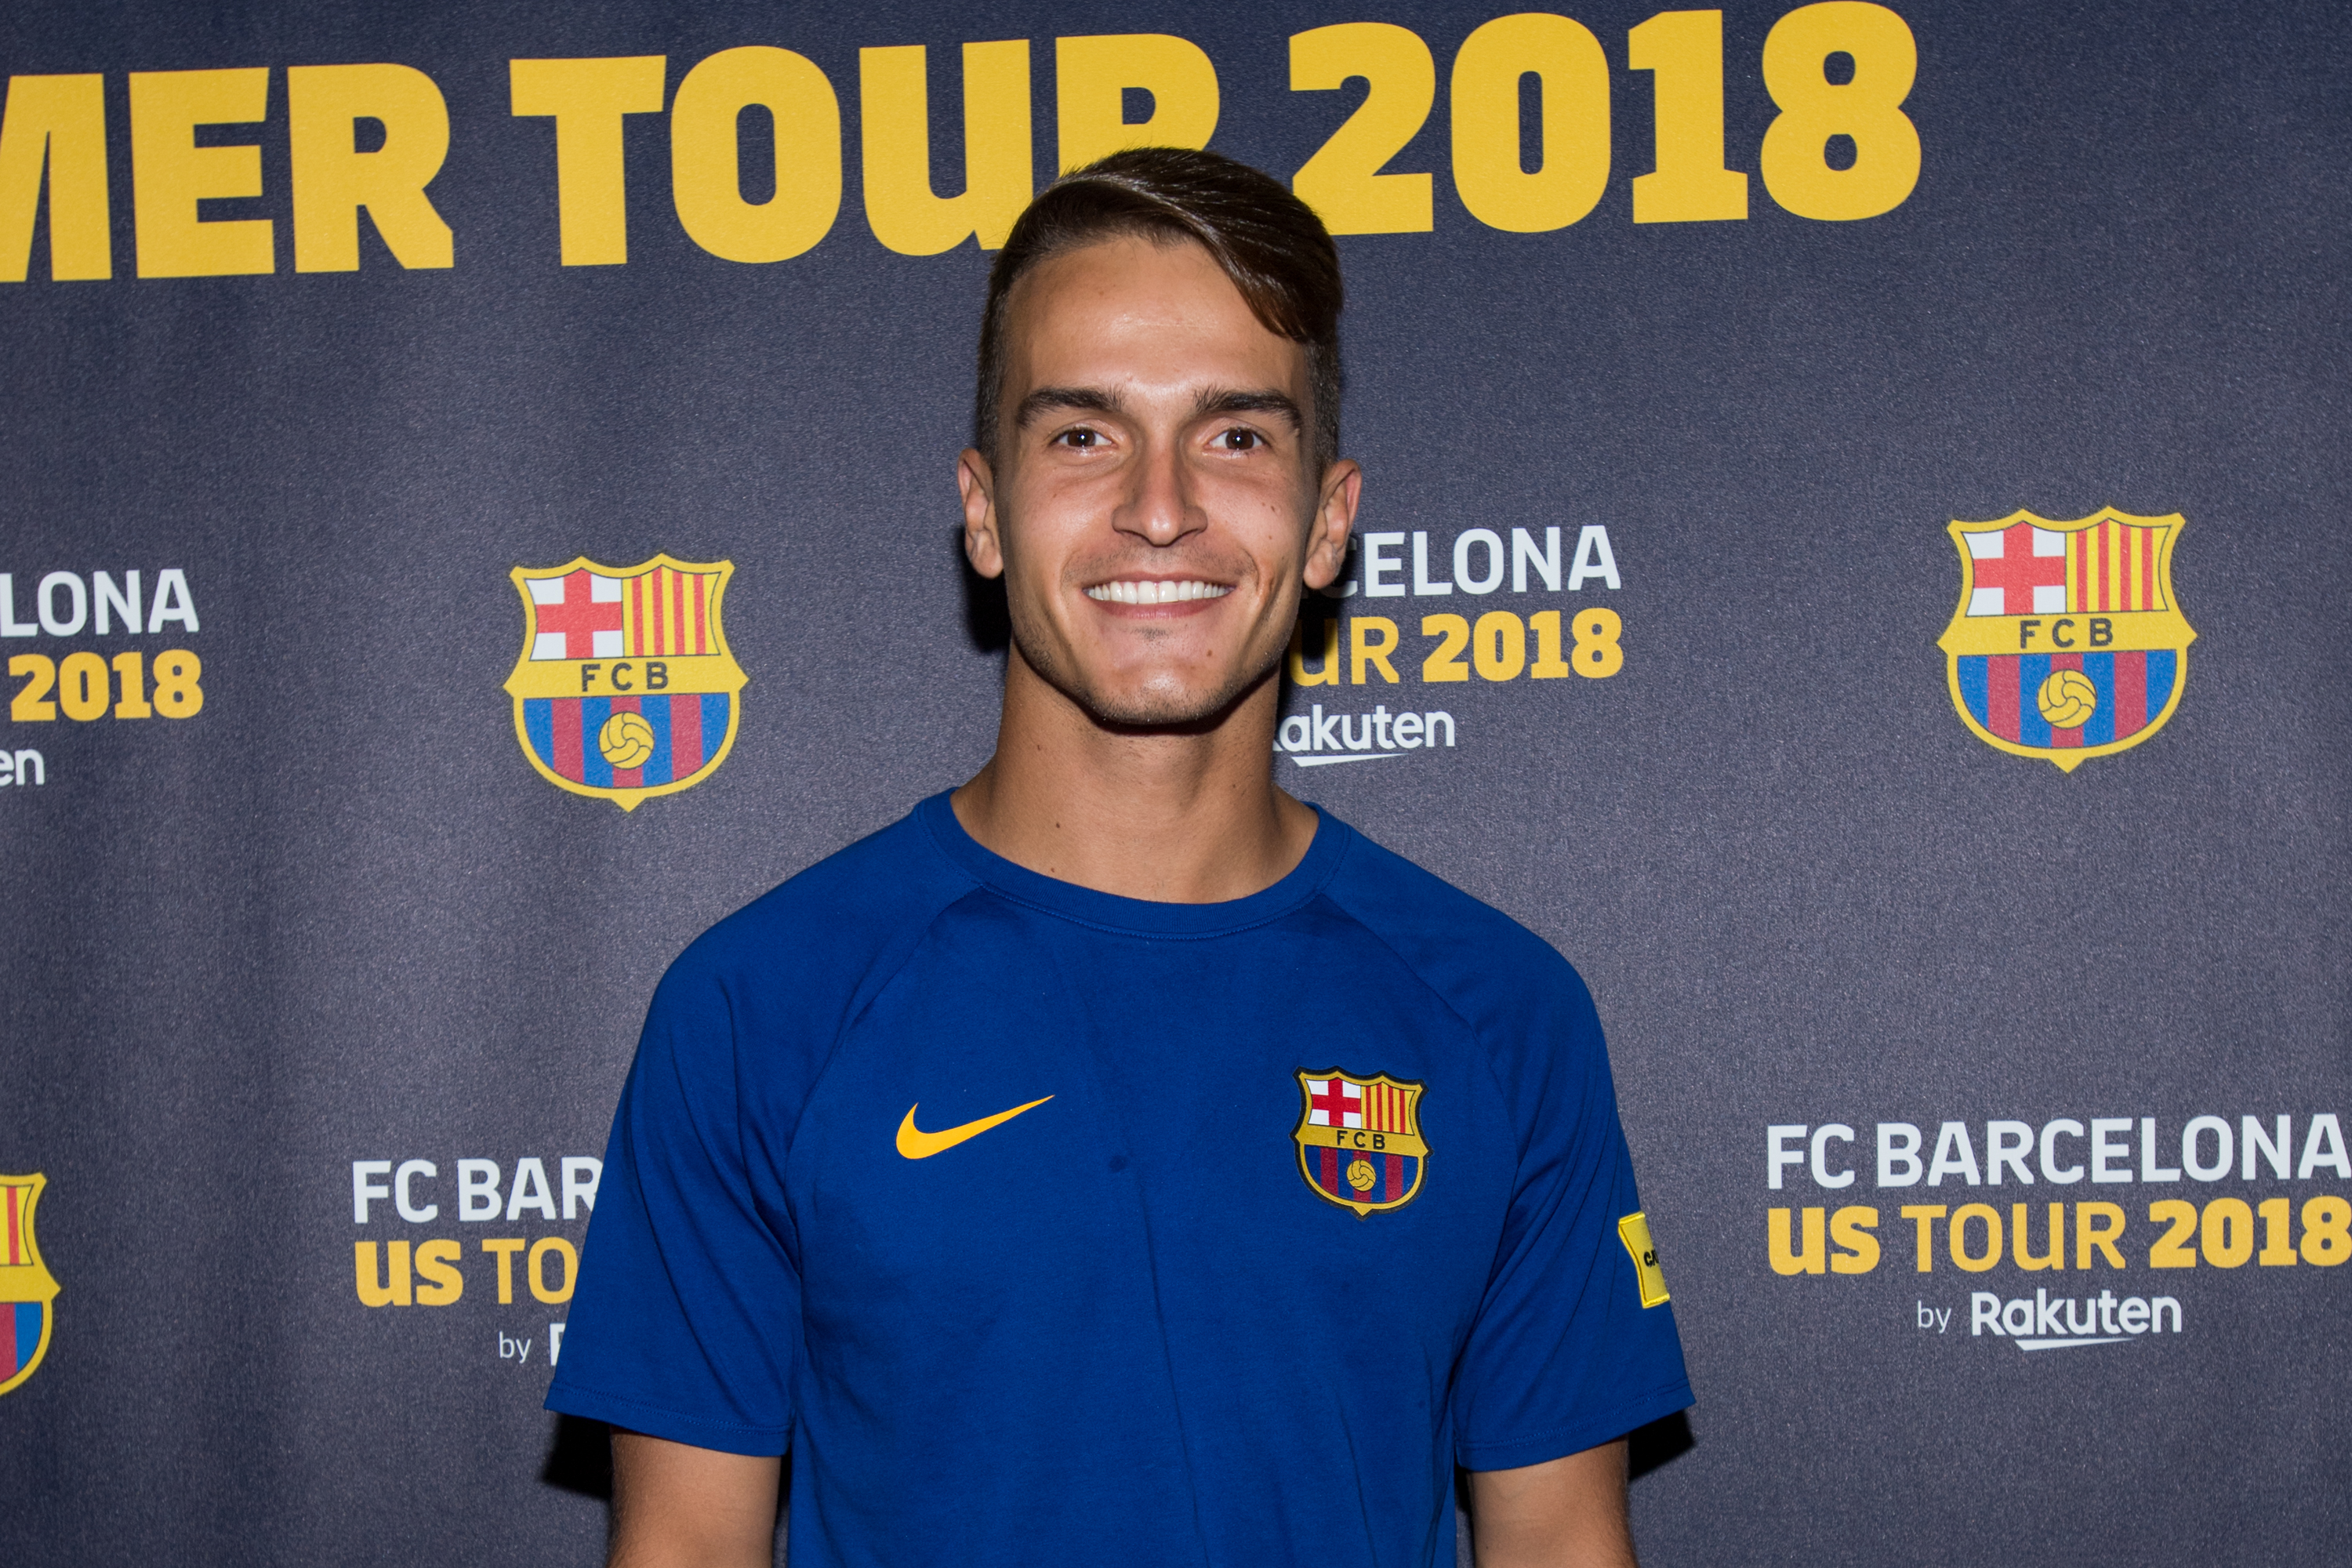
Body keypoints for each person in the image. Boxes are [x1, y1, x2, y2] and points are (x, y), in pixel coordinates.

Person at [546, 147, 1691, 1568]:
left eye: (1236, 435)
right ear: (983, 508)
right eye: (1083, 435)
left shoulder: (1504, 1013)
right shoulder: (759, 1006)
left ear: (1329, 522)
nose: (1162, 506)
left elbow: (1561, 1546)